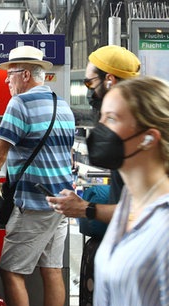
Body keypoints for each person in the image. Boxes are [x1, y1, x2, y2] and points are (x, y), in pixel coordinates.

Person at [0, 45, 75, 306]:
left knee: (11, 270)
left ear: (26, 75)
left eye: (10, 74)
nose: (6, 80)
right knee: (52, 269)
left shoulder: (20, 103)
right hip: (62, 202)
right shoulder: (62, 104)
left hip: (34, 203)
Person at [90, 76, 169, 306]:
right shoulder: (129, 205)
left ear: (149, 138)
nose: (100, 128)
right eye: (102, 117)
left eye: (112, 118)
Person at [47, 45, 141, 224]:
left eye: (89, 82)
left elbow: (142, 212)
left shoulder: (134, 132)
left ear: (109, 80)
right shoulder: (134, 119)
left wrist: (86, 208)